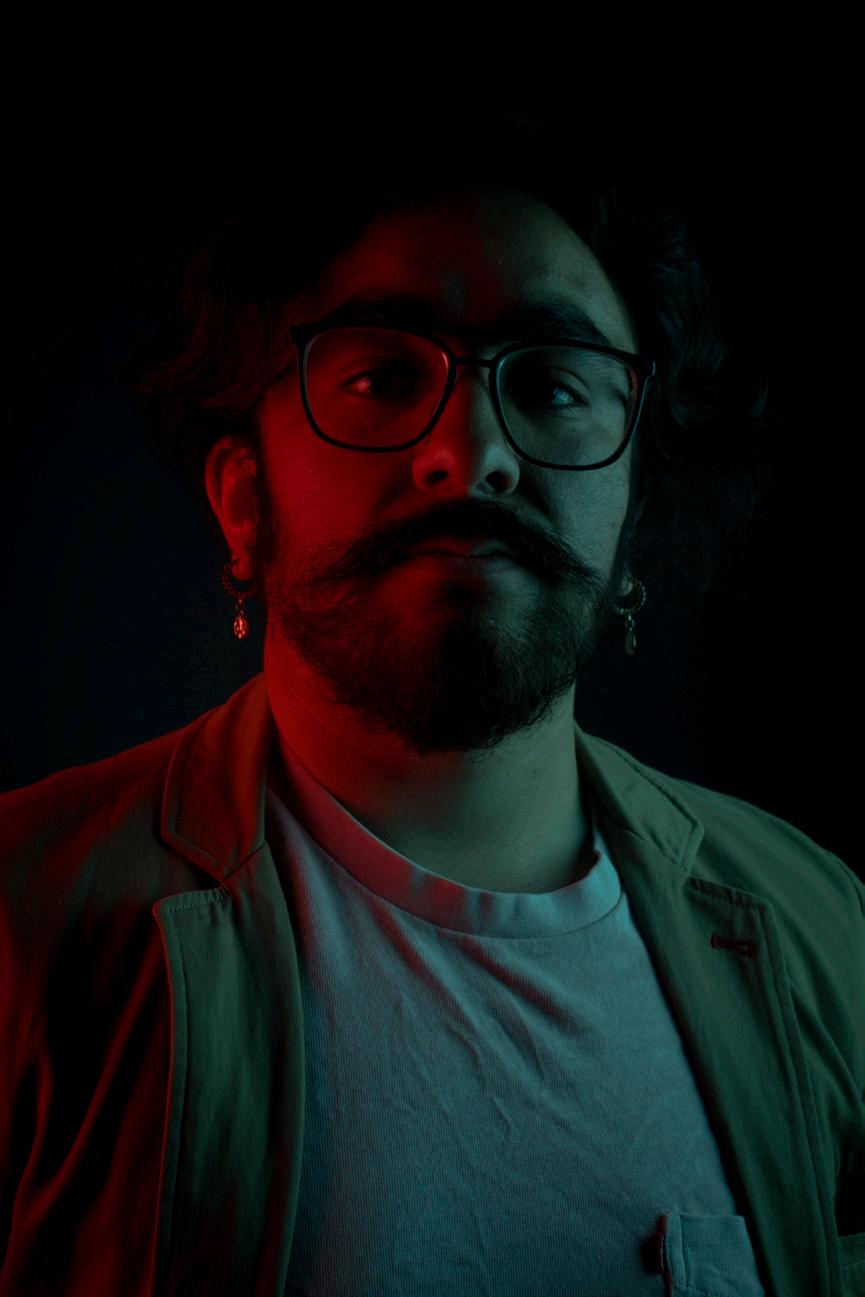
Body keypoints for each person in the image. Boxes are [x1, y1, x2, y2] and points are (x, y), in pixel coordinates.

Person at [1, 108, 863, 1297]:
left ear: (635, 516)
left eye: (551, 384)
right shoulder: (19, 929)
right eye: (380, 376)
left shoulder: (827, 929)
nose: (471, 451)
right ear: (243, 504)